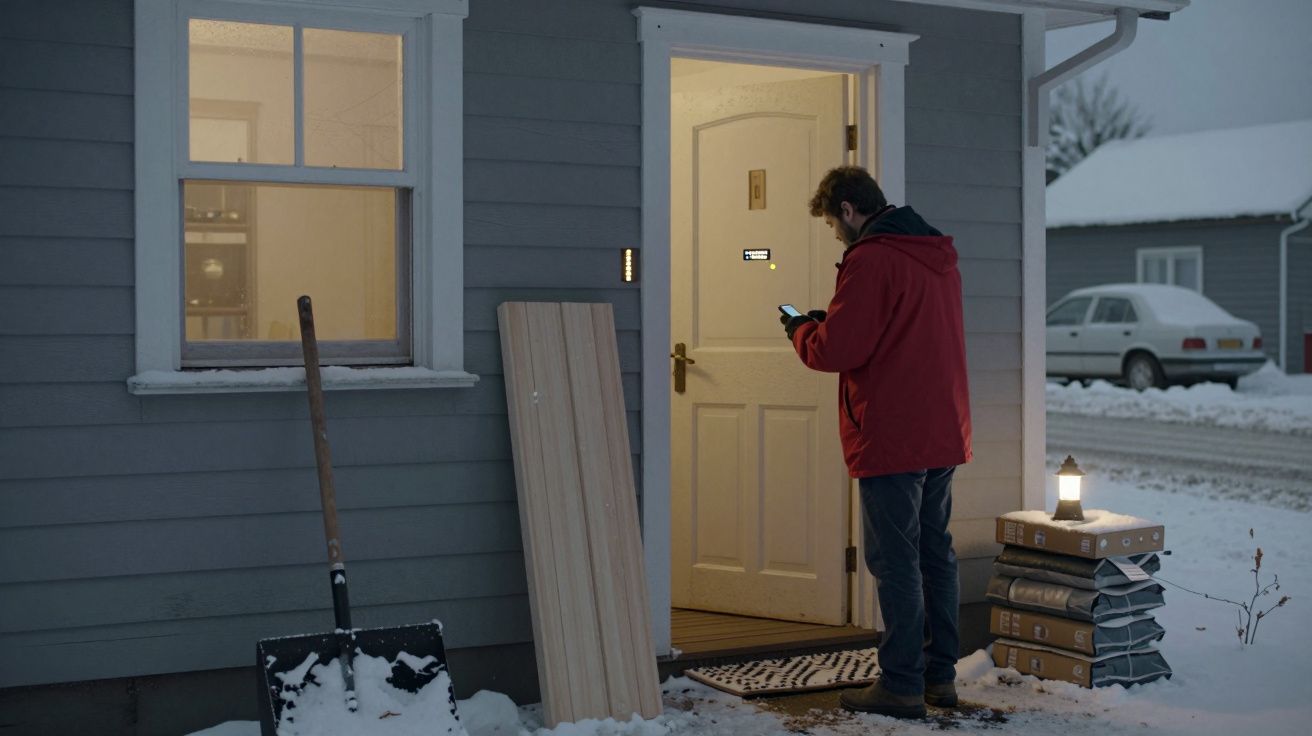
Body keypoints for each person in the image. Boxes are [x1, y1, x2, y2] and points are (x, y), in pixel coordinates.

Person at [780, 166, 972, 719]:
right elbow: (891, 332)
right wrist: (828, 322)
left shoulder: (872, 257)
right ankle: (939, 678)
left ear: (846, 209)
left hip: (891, 431)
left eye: (832, 224)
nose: (836, 237)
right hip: (942, 427)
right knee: (935, 551)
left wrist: (799, 330)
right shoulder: (935, 255)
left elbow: (836, 350)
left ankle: (901, 684)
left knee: (895, 559)